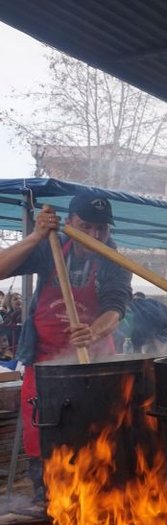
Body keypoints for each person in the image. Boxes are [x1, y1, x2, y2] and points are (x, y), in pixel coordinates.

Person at [0, 195, 132, 504]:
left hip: (93, 361)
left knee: (97, 430)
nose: (95, 236)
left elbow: (116, 306)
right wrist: (35, 236)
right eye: (86, 227)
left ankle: (99, 500)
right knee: (42, 429)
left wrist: (93, 330)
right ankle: (47, 499)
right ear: (70, 223)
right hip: (44, 361)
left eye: (101, 229)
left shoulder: (113, 260)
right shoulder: (50, 247)